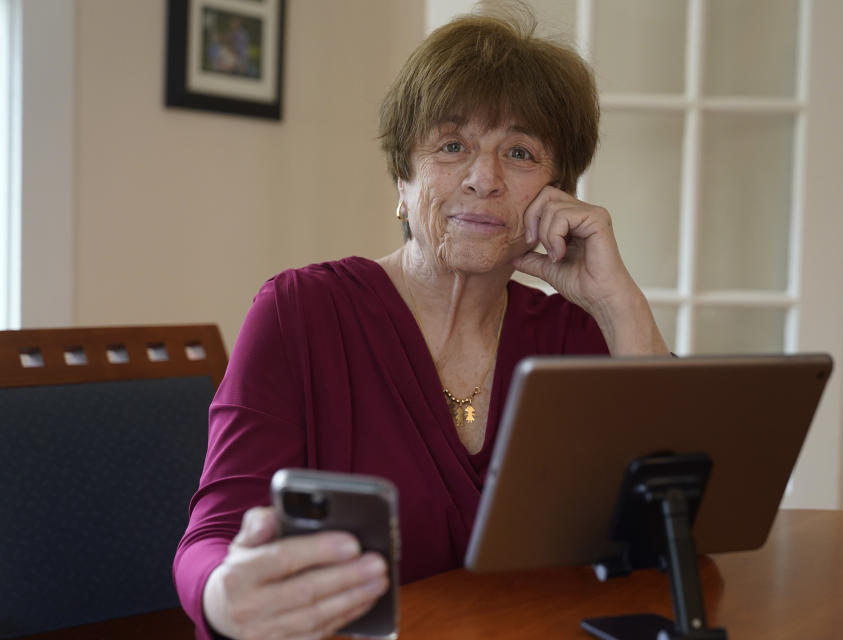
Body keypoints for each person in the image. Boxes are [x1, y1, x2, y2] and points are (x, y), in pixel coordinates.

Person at [174, 10, 669, 640]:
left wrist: (619, 304)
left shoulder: (574, 336)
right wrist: (225, 595)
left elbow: (676, 533)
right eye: (451, 145)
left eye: (519, 153)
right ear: (402, 183)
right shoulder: (299, 313)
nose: (483, 179)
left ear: (556, 195)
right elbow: (211, 536)